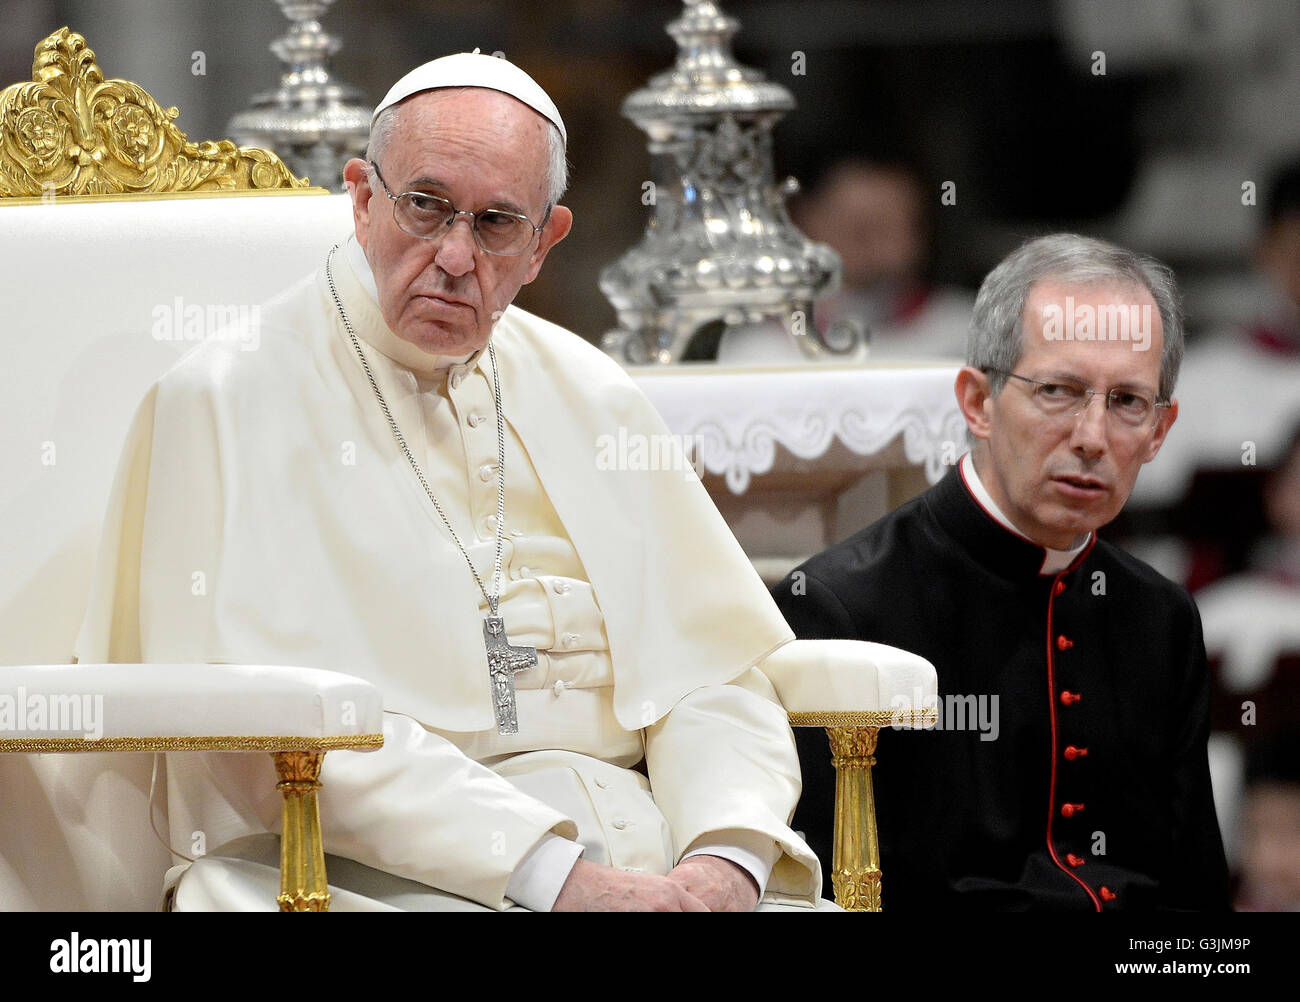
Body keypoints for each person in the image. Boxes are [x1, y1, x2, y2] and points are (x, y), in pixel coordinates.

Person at [75, 52, 823, 912]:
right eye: (425, 207)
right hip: (369, 877)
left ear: (546, 242)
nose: (456, 257)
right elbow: (267, 734)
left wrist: (723, 862)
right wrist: (560, 880)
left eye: (499, 223)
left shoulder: (594, 394)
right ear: (361, 199)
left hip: (651, 860)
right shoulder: (227, 397)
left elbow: (715, 677)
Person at [774, 233, 1230, 910]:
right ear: (978, 402)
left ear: (1161, 432)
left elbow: (1197, 896)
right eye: (1058, 391)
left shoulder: (1160, 618)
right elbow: (815, 897)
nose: (1092, 437)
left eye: (1128, 402)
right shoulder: (844, 607)